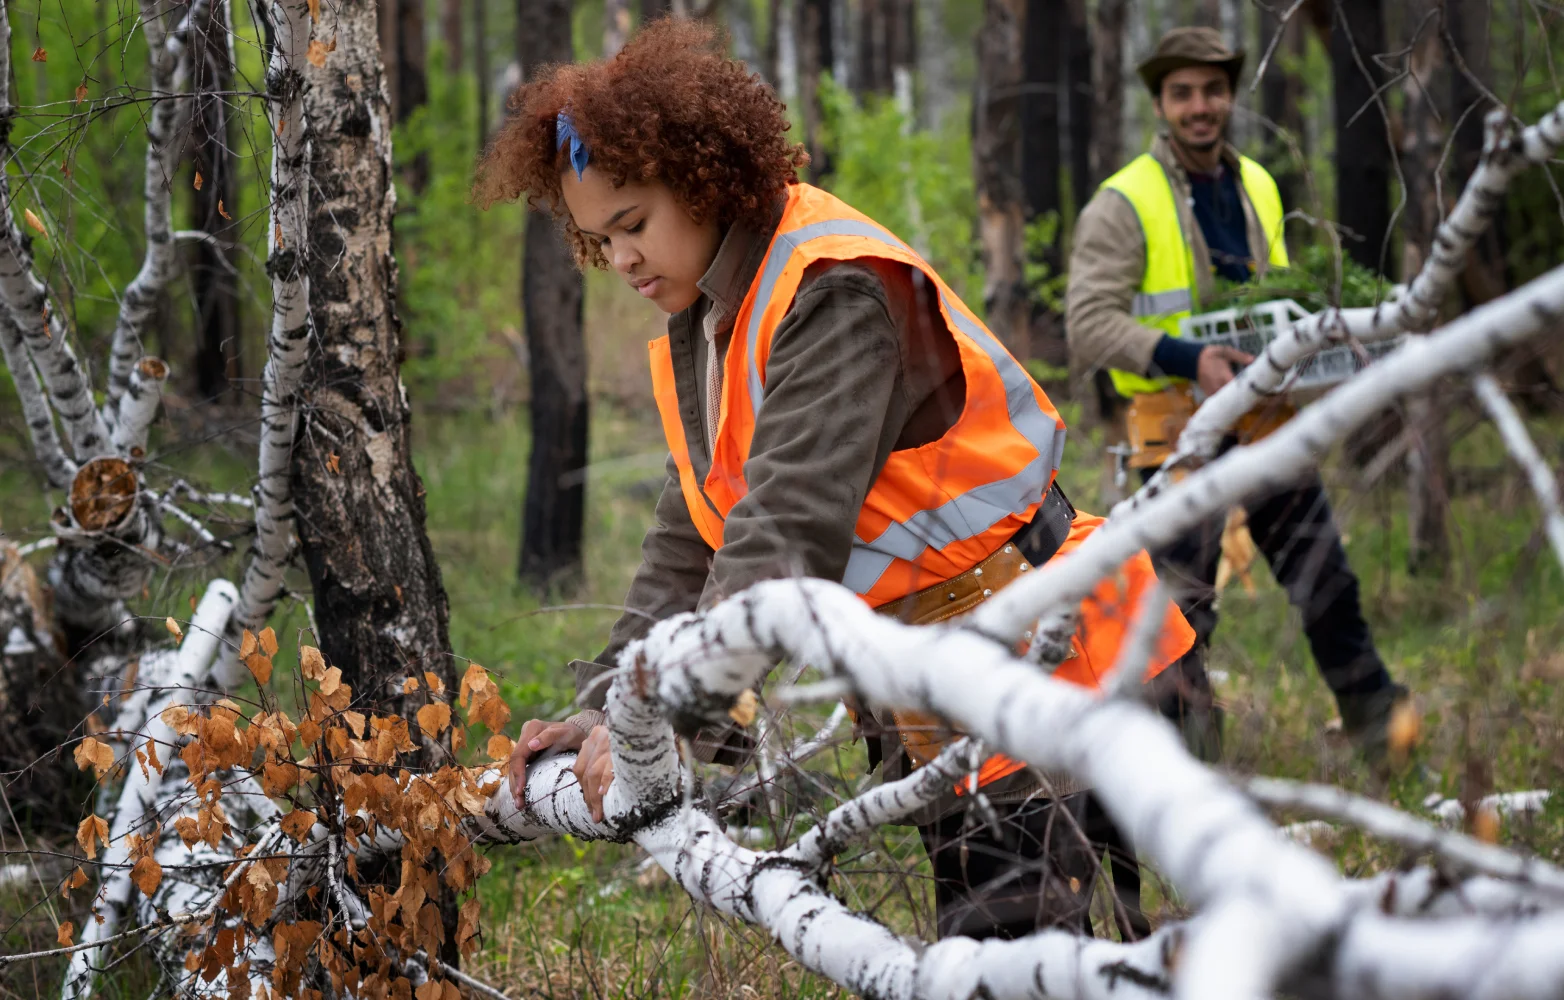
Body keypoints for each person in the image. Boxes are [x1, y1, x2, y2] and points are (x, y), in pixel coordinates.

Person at [478, 19, 1194, 940]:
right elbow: (696, 525)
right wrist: (610, 703)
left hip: (1065, 660)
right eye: (596, 239)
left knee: (1033, 966)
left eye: (632, 223)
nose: (619, 259)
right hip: (960, 685)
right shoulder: (716, 310)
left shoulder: (831, 288)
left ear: (701, 180)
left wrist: (664, 721)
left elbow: (783, 530)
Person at [1065, 27, 1411, 760]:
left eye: (1213, 91)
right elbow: (1089, 324)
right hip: (1175, 428)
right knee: (1180, 613)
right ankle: (1186, 769)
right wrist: (1191, 359)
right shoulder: (1122, 201)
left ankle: (1383, 734)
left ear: (1230, 97)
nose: (1201, 106)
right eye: (1183, 93)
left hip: (1262, 417)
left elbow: (1275, 300)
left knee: (1325, 578)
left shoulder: (1257, 182)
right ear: (1161, 103)